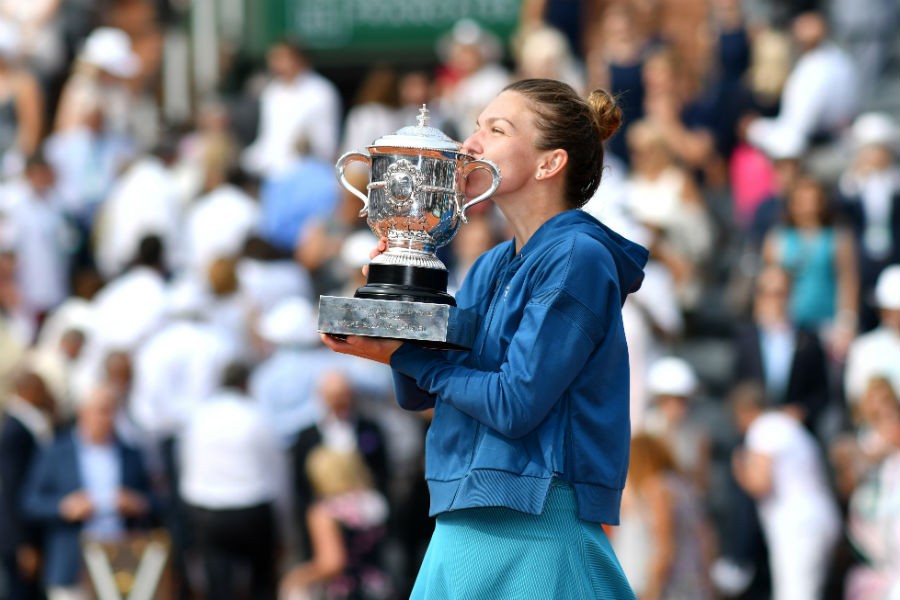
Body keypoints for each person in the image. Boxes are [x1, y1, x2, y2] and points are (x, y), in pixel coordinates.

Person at [321, 78, 647, 598]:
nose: (469, 145)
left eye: (496, 130)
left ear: (549, 164)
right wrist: (399, 295)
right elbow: (417, 392)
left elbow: (515, 404)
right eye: (476, 127)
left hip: (537, 525)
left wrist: (407, 355)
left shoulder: (578, 257)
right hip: (457, 524)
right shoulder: (490, 264)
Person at [22, 383, 156, 600]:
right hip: (73, 562)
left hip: (123, 562)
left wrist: (137, 503)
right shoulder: (56, 452)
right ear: (83, 412)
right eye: (101, 411)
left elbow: (156, 501)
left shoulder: (131, 453)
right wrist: (64, 507)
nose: (107, 418)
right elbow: (30, 502)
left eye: (112, 411)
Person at [179, 362, 286, 600]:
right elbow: (276, 469)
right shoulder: (257, 414)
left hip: (208, 509)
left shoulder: (200, 415)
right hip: (252, 506)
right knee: (261, 581)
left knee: (218, 584)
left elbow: (187, 464)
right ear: (245, 383)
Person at [730, 382, 842, 600]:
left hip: (799, 527)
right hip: (815, 521)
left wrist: (740, 471)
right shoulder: (786, 425)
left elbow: (761, 483)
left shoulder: (762, 428)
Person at [279, 446, 393, 600]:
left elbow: (332, 564)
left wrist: (296, 578)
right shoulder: (374, 501)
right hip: (379, 586)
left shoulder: (324, 512)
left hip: (346, 591)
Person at [0, 369, 54, 600]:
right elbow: (12, 490)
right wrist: (24, 543)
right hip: (19, 536)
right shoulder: (16, 432)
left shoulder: (22, 426)